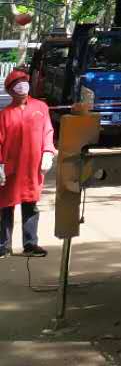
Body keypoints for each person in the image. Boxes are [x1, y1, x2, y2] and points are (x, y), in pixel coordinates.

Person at [0, 68, 55, 257]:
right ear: (10, 90)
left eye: (24, 81)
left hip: (33, 166)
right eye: (17, 83)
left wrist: (48, 152)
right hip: (11, 167)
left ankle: (30, 243)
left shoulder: (41, 107)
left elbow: (48, 131)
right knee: (6, 206)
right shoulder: (5, 114)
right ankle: (3, 245)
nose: (22, 85)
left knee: (30, 204)